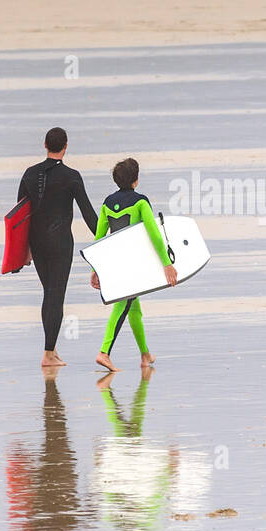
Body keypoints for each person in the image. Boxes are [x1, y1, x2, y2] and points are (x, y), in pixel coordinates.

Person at [17, 127, 98, 368]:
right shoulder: (72, 176)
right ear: (65, 146)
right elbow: (89, 214)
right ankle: (48, 353)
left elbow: (19, 216)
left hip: (37, 242)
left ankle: (50, 350)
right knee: (56, 295)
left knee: (49, 294)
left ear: (44, 144)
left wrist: (23, 250)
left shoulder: (29, 174)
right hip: (61, 242)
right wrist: (104, 239)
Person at [89, 158, 177, 371]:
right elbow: (154, 234)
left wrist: (95, 268)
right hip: (133, 265)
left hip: (114, 263)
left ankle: (145, 355)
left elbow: (99, 237)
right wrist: (167, 264)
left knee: (133, 308)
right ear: (136, 180)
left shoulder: (107, 203)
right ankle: (104, 352)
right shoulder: (141, 202)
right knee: (122, 305)